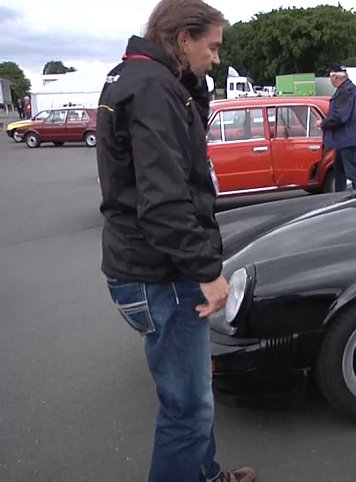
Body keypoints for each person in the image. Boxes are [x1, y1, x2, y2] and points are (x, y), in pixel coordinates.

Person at [95, 1, 255, 480]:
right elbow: (164, 201)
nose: (217, 59)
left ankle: (205, 474)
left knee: (193, 397)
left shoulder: (137, 78)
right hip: (160, 274)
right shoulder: (153, 89)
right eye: (213, 46)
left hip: (143, 264)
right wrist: (207, 272)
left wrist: (193, 88)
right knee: (186, 411)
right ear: (183, 39)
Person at [319, 65, 356, 191]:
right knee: (339, 172)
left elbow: (340, 117)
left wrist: (323, 123)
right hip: (344, 140)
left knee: (353, 174)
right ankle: (340, 197)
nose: (330, 81)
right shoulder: (346, 90)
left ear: (335, 77)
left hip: (348, 140)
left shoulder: (346, 92)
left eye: (330, 77)